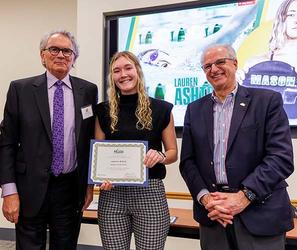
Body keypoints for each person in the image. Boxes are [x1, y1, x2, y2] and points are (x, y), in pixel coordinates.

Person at [180, 44, 294, 250]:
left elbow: (280, 158)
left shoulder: (267, 102)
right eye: (207, 66)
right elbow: (188, 162)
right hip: (213, 215)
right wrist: (206, 199)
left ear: (235, 63)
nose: (213, 69)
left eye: (220, 62)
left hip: (259, 212)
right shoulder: (194, 109)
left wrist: (244, 196)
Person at [0, 30, 98, 249]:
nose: (61, 55)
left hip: (70, 189)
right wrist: (9, 191)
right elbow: (6, 143)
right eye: (54, 49)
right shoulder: (20, 89)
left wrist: (89, 186)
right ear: (42, 55)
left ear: (74, 58)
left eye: (67, 51)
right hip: (29, 189)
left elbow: (90, 143)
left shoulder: (88, 91)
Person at [95, 51, 178, 250]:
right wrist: (100, 177)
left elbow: (173, 152)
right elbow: (98, 154)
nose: (123, 74)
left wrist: (160, 156)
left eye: (128, 68)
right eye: (116, 70)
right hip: (112, 195)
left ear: (138, 71)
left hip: (150, 193)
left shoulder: (161, 109)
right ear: (112, 77)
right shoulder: (103, 111)